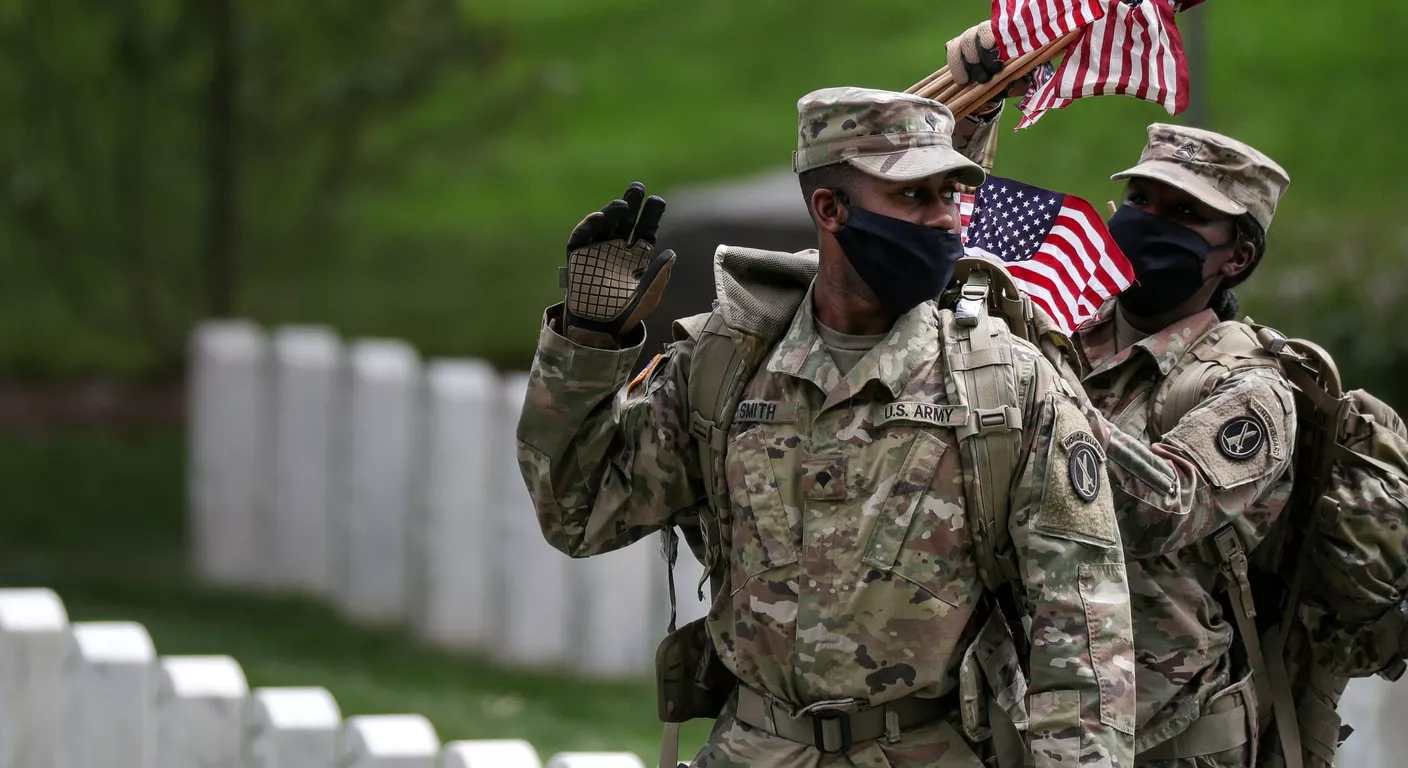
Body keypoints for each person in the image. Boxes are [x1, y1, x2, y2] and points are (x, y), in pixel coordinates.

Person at [515, 86, 1135, 767]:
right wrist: (587, 340)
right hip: (756, 747)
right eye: (911, 197)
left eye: (947, 196)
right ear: (830, 208)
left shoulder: (1005, 383)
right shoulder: (726, 366)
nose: (943, 222)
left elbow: (1081, 626)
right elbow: (580, 513)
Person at [945, 22, 1297, 767]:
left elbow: (1158, 511)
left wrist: (1039, 387)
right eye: (1142, 199)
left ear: (1236, 257)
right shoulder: (1065, 319)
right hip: (1025, 710)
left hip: (1164, 733)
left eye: (1185, 216)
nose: (1150, 223)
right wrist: (975, 113)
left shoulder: (1247, 390)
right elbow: (943, 259)